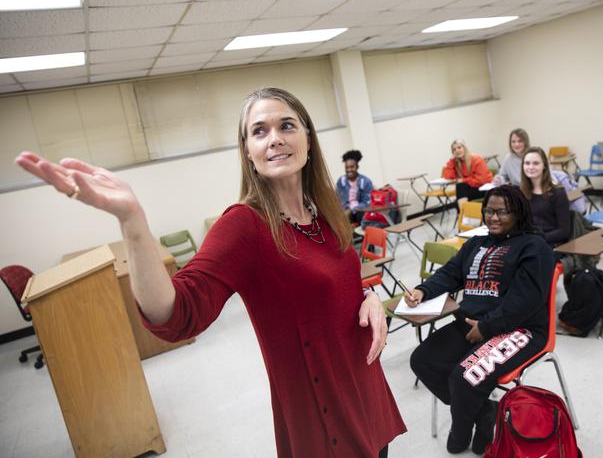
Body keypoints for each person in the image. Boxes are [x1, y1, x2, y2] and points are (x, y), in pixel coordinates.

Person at [15, 87, 406, 458]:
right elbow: (176, 314)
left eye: (286, 125)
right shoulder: (246, 225)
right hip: (326, 415)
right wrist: (132, 221)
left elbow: (337, 279)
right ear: (248, 151)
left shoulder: (324, 211)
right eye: (259, 131)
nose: (274, 138)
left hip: (365, 386)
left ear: (307, 138)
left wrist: (368, 297)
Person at [407, 185, 555, 455]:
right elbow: (451, 272)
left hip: (520, 329)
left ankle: (461, 430)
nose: (493, 217)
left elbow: (526, 300)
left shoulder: (535, 247)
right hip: (471, 324)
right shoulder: (476, 242)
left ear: (519, 213)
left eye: (501, 212)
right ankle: (485, 412)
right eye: (488, 211)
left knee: (465, 377)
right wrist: (423, 290)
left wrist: (487, 328)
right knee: (422, 360)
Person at [520, 147, 571, 247]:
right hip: (528, 240)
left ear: (544, 166)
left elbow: (565, 231)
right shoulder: (521, 192)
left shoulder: (558, 193)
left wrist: (540, 238)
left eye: (536, 163)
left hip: (550, 242)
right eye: (527, 163)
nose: (530, 167)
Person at [442, 139, 493, 207]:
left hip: (485, 189)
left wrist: (464, 180)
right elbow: (448, 177)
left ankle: (462, 214)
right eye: (454, 149)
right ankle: (463, 213)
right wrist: (451, 161)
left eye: (459, 147)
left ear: (464, 148)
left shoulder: (476, 159)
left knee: (460, 188)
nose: (457, 150)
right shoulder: (457, 163)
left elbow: (482, 181)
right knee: (460, 191)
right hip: (472, 188)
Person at [336, 149, 373, 225]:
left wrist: (351, 209)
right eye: (347, 167)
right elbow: (337, 198)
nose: (349, 170)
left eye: (352, 167)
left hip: (359, 211)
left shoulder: (366, 181)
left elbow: (367, 202)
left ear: (357, 166)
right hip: (345, 210)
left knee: (360, 215)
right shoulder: (341, 181)